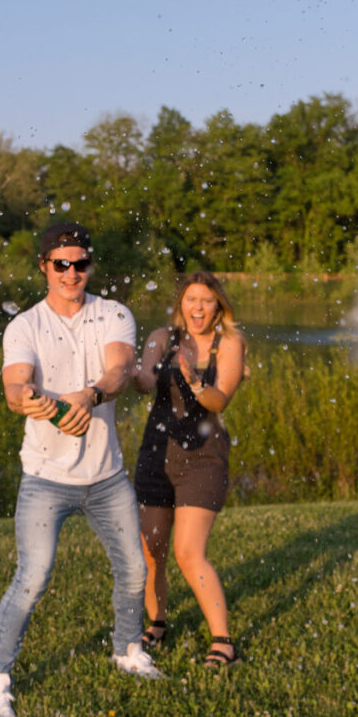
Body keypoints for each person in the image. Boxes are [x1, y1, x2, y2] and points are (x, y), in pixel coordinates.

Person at [0, 222, 161, 717]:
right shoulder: (25, 327)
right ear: (44, 267)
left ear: (90, 267)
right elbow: (16, 388)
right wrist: (35, 402)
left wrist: (89, 396)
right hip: (44, 479)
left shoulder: (113, 313)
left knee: (133, 572)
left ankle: (127, 651)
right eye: (61, 264)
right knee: (31, 580)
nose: (71, 273)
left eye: (80, 264)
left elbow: (121, 370)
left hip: (107, 478)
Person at [131, 271, 246, 668]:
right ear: (180, 303)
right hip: (156, 454)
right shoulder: (161, 338)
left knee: (187, 553)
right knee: (151, 552)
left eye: (207, 300)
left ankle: (224, 642)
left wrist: (196, 381)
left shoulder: (230, 343)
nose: (198, 308)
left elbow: (219, 401)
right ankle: (158, 624)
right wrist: (132, 372)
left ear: (218, 306)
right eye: (191, 299)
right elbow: (146, 380)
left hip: (204, 458)